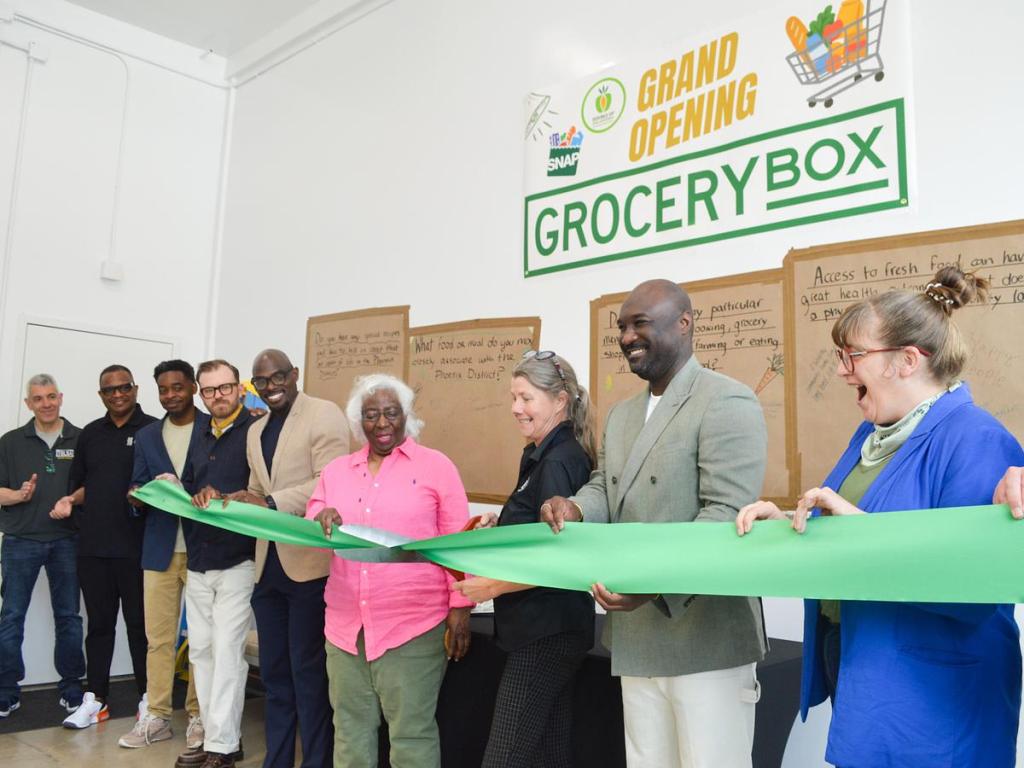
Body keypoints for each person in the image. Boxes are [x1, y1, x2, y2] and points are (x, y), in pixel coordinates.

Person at [736, 267, 1024, 767]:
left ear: (907, 361)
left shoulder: (976, 438)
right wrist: (786, 523)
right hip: (864, 663)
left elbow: (975, 590)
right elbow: (856, 526)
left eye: (853, 355)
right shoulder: (871, 437)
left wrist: (859, 531)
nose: (844, 370)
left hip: (934, 694)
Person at [541, 279, 768, 768]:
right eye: (622, 326)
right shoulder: (622, 416)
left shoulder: (728, 401)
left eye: (639, 323)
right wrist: (576, 508)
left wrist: (655, 585)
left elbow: (725, 516)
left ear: (684, 323)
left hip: (705, 640)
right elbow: (606, 486)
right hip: (637, 636)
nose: (626, 336)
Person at [309, 373, 472, 768]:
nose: (381, 423)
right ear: (358, 421)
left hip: (412, 627)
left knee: (411, 736)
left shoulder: (437, 468)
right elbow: (314, 514)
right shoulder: (336, 471)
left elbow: (459, 546)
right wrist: (322, 515)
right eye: (370, 415)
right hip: (346, 628)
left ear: (406, 415)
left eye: (390, 413)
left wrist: (461, 609)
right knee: (349, 732)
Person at [453, 351, 597, 768]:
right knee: (550, 752)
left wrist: (490, 586)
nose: (516, 408)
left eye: (527, 398)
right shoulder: (539, 452)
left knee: (504, 756)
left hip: (547, 632)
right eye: (514, 397)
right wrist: (501, 524)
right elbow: (536, 528)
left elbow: (558, 556)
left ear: (560, 402)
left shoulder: (559, 460)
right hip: (543, 629)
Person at [226, 349, 348, 768]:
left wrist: (270, 501)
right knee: (276, 677)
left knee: (309, 677)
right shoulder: (255, 430)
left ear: (293, 374)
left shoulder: (324, 413)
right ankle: (276, 761)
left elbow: (330, 480)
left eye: (278, 377)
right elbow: (254, 489)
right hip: (268, 568)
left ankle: (316, 762)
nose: (271, 386)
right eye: (262, 381)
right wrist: (234, 502)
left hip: (310, 568)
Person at [53, 365, 156, 728]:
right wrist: (70, 503)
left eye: (123, 387)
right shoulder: (91, 434)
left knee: (140, 628)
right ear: (101, 395)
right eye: (109, 390)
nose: (117, 395)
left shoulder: (153, 429)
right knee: (98, 627)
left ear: (135, 388)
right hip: (94, 549)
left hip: (137, 549)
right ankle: (96, 700)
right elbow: (80, 484)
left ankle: (149, 701)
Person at [119, 360, 204, 752]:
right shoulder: (149, 434)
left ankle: (199, 716)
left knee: (203, 639)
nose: (170, 395)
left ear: (192, 387)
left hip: (205, 550)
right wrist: (137, 496)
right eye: (163, 390)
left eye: (177, 387)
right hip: (159, 549)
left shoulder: (212, 429)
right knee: (158, 639)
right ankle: (156, 715)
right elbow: (137, 484)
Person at [180, 359, 259, 768]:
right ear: (200, 393)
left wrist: (230, 493)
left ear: (239, 389)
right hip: (199, 560)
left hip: (237, 560)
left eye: (225, 387)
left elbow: (264, 492)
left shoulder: (257, 430)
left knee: (228, 653)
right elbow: (194, 490)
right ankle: (217, 736)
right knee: (202, 654)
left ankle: (223, 747)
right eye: (209, 390)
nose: (218, 396)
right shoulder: (199, 434)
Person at [0, 374, 85, 721]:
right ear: (28, 404)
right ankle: (6, 690)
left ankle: (71, 686)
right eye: (38, 398)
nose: (46, 403)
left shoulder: (81, 439)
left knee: (68, 617)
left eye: (51, 396)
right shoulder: (10, 442)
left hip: (67, 539)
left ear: (61, 398)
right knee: (11, 618)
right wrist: (18, 495)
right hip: (21, 540)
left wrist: (72, 499)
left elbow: (91, 486)